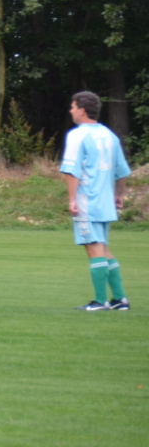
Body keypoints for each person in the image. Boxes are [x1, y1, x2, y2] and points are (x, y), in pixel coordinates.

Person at [61, 91, 131, 311]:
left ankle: (100, 301)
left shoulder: (77, 135)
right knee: (103, 248)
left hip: (87, 199)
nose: (71, 111)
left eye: (73, 107)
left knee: (93, 248)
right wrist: (118, 195)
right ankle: (119, 299)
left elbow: (72, 170)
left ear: (82, 110)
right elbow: (122, 171)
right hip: (104, 201)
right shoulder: (110, 135)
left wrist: (72, 199)